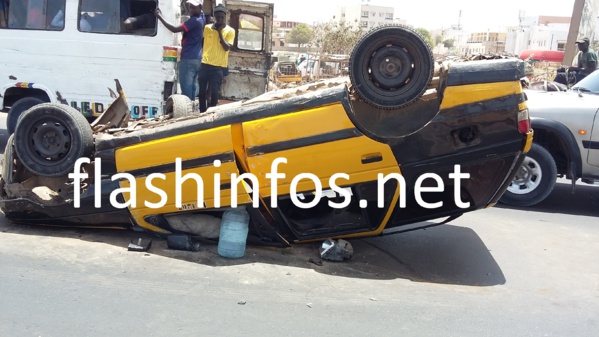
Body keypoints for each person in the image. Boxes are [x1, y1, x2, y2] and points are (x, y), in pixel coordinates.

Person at [154, 0, 205, 101]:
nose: (191, 9)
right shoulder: (202, 17)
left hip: (188, 59)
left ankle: (188, 112)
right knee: (192, 88)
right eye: (190, 6)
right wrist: (188, 5)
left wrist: (159, 17)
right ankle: (192, 109)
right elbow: (189, 5)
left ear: (200, 7)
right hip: (197, 58)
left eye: (194, 7)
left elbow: (174, 29)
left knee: (186, 89)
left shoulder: (194, 21)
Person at [197, 4, 235, 113]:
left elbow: (226, 47)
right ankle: (202, 112)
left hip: (218, 66)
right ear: (214, 16)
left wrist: (219, 32)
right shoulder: (207, 28)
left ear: (225, 17)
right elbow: (203, 42)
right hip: (205, 64)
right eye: (218, 17)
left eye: (222, 17)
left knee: (214, 92)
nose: (220, 19)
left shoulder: (230, 31)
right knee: (202, 92)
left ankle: (212, 112)